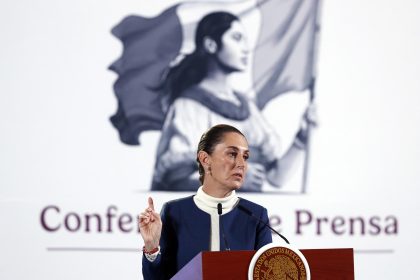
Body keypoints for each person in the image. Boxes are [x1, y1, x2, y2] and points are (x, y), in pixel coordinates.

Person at [151, 11, 315, 192]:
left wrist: (302, 138)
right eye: (237, 38)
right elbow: (175, 179)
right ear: (211, 45)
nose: (245, 48)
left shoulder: (248, 108)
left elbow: (275, 178)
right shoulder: (188, 106)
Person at [139, 124, 273, 279]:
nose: (241, 164)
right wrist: (151, 247)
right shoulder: (174, 212)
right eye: (232, 154)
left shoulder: (256, 216)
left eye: (245, 156)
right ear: (205, 159)